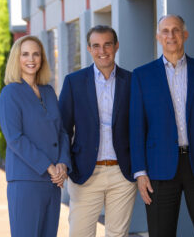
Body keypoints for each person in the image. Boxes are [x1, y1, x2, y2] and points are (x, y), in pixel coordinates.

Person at [130, 14, 194, 237]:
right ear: (158, 37)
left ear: (185, 34)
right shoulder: (142, 75)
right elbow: (136, 127)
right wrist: (140, 171)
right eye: (165, 31)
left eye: (176, 30)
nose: (170, 35)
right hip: (159, 168)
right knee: (161, 232)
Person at [59, 25, 137, 237]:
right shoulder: (73, 82)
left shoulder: (132, 81)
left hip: (122, 173)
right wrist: (64, 163)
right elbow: (63, 129)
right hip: (85, 171)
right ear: (89, 49)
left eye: (107, 44)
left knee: (117, 234)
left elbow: (140, 127)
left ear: (116, 46)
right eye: (96, 46)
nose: (102, 50)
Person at [0, 35, 72, 237]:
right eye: (25, 54)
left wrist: (63, 164)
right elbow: (15, 139)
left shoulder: (48, 92)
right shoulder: (10, 94)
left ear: (42, 59)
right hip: (26, 182)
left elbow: (62, 131)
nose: (31, 59)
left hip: (53, 183)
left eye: (36, 54)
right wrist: (50, 167)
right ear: (17, 59)